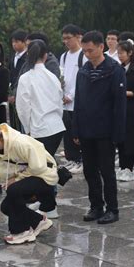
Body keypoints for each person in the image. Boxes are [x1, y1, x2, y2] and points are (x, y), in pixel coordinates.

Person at [0, 119, 57, 244]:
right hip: (27, 179)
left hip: (44, 176)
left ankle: (22, 232)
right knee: (6, 207)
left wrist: (17, 179)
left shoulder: (19, 143)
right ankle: (39, 221)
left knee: (13, 189)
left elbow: (39, 167)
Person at [72, 30, 127, 224]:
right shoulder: (84, 71)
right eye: (85, 51)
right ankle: (96, 205)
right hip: (86, 130)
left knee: (107, 170)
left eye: (91, 50)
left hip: (105, 130)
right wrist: (76, 129)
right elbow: (78, 101)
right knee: (89, 170)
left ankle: (112, 209)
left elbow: (120, 105)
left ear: (101, 47)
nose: (87, 54)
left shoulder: (114, 70)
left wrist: (118, 133)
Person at [16, 39, 65, 218]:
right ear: (45, 56)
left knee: (40, 168)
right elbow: (59, 102)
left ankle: (49, 206)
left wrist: (28, 129)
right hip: (56, 127)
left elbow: (22, 107)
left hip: (39, 128)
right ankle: (46, 201)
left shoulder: (26, 78)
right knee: (47, 165)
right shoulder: (52, 76)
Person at [115, 40, 134, 182]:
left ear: (130, 53)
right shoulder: (118, 69)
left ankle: (129, 168)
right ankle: (122, 167)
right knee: (120, 138)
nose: (120, 56)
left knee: (130, 140)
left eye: (122, 53)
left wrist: (124, 93)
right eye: (118, 53)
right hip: (119, 108)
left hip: (131, 109)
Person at [59, 24, 87, 174]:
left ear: (78, 37)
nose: (66, 41)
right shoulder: (64, 56)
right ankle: (71, 159)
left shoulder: (83, 55)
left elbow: (82, 79)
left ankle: (81, 159)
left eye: (69, 38)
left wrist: (71, 95)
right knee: (67, 131)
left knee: (78, 132)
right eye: (64, 39)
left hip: (78, 101)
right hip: (64, 102)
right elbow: (62, 76)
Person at [7, 29, 27, 132]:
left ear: (24, 42)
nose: (14, 44)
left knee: (22, 122)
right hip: (12, 96)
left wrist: (16, 94)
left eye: (17, 42)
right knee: (13, 122)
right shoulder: (13, 57)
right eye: (13, 42)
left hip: (21, 95)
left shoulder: (27, 58)